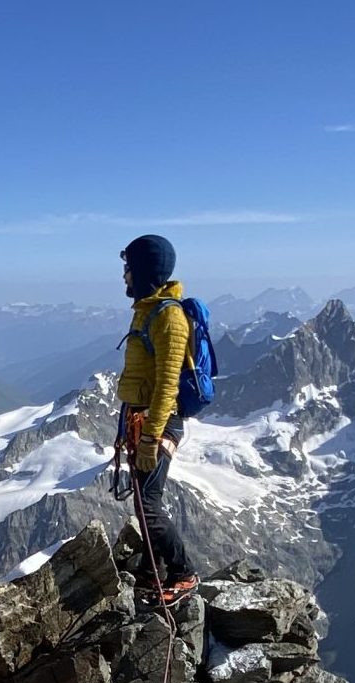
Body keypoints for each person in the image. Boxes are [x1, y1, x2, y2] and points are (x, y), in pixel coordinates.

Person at [116, 234, 199, 605]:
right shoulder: (150, 311)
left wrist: (150, 438)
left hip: (157, 422)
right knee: (143, 503)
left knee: (148, 506)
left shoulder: (169, 316)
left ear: (144, 270)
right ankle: (155, 572)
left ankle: (183, 574)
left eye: (128, 269)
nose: (124, 277)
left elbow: (168, 383)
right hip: (142, 417)